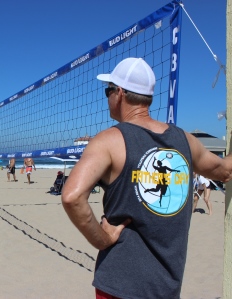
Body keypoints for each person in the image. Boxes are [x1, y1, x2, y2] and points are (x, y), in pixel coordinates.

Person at [60, 57, 232, 298]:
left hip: (120, 286)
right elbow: (225, 171)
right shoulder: (186, 141)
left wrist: (102, 239)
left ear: (119, 93)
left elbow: (71, 196)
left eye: (107, 91)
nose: (107, 97)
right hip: (167, 286)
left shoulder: (109, 141)